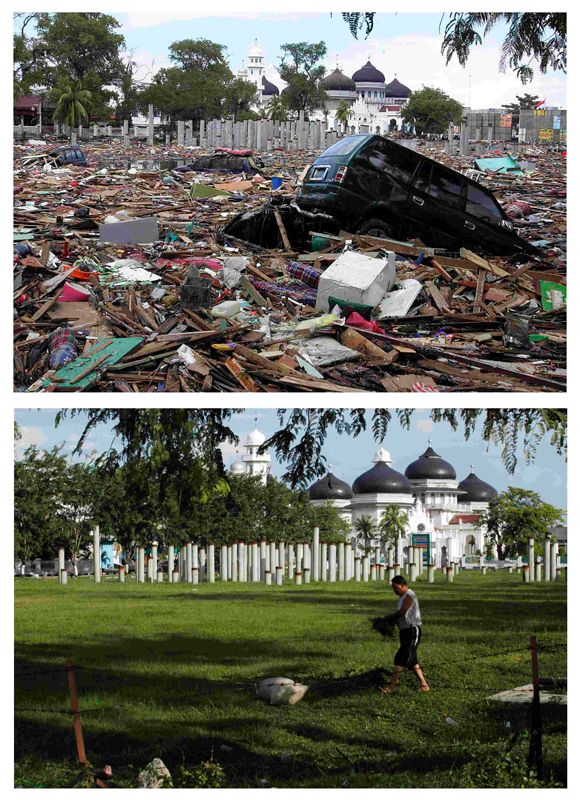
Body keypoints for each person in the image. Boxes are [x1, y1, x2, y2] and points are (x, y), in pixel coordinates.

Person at [380, 575, 430, 693]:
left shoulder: (409, 595)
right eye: (393, 588)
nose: (395, 591)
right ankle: (424, 685)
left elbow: (403, 612)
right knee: (412, 659)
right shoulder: (402, 596)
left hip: (412, 631)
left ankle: (392, 686)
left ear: (403, 585)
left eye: (396, 588)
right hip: (404, 632)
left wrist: (389, 618)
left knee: (401, 657)